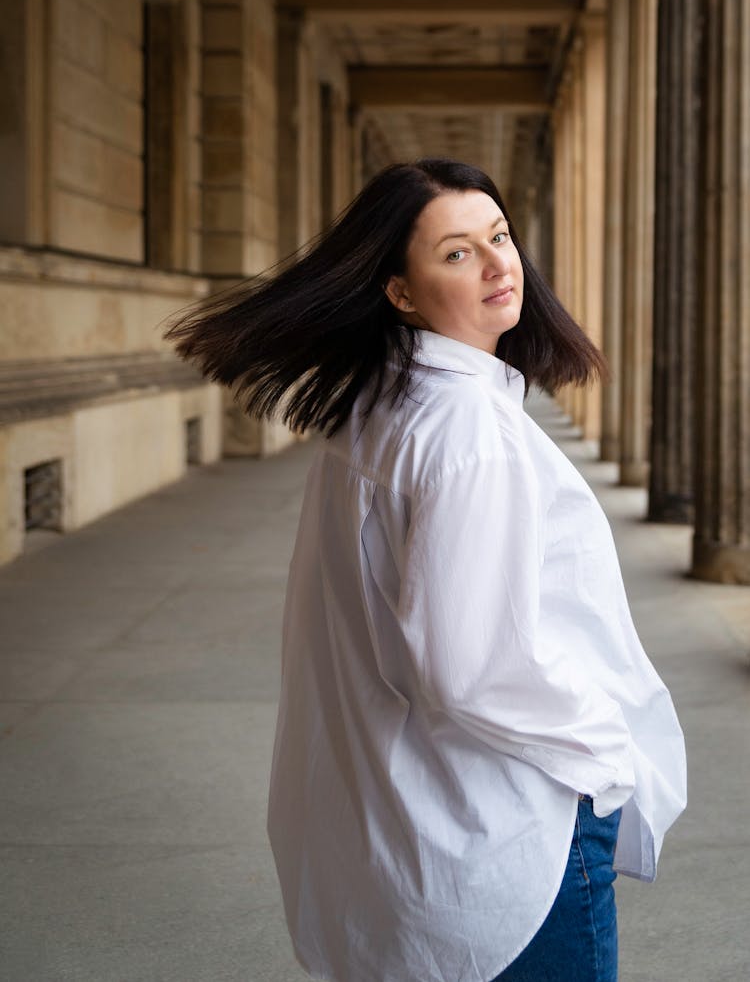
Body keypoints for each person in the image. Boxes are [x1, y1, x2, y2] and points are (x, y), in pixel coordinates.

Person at [164, 158, 687, 982]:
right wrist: (606, 751)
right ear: (399, 291)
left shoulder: (374, 410)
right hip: (507, 834)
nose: (496, 263)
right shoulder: (469, 431)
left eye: (500, 236)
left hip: (408, 837)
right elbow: (470, 667)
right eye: (456, 252)